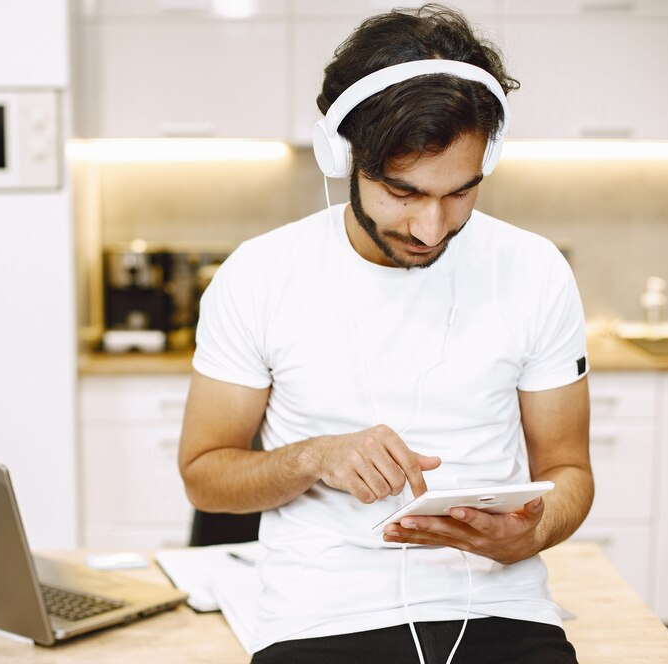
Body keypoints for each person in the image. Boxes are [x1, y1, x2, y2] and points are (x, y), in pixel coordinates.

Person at [178, 4, 592, 663]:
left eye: (460, 192)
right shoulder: (259, 275)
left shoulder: (534, 271)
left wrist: (533, 533)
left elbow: (569, 471)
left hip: (495, 606)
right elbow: (205, 477)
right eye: (403, 192)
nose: (431, 229)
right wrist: (313, 458)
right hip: (319, 617)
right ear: (340, 155)